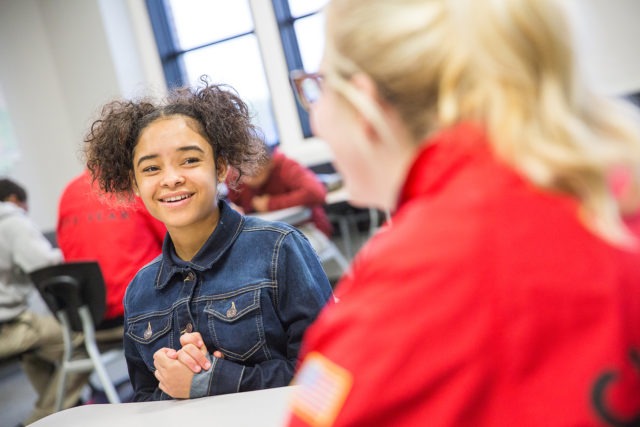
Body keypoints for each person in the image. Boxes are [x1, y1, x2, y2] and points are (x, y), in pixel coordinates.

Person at [286, 0, 640, 426]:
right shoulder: (616, 189)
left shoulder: (407, 282)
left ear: (366, 102)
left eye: (320, 86)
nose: (318, 117)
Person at [82, 79, 333, 402]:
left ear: (220, 168)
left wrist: (208, 382)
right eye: (151, 168)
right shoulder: (141, 292)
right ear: (134, 183)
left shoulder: (279, 249)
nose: (171, 178)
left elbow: (327, 372)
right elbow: (144, 401)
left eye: (189, 160)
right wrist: (171, 384)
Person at [0, 178, 88, 424]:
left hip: (13, 327)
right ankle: (43, 419)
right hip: (9, 328)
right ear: (16, 200)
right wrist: (72, 250)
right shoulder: (11, 220)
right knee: (81, 342)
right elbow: (44, 265)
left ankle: (65, 412)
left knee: (36, 350)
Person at [57, 169, 165, 333]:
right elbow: (178, 243)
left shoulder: (70, 191)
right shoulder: (135, 186)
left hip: (86, 318)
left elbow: (65, 251)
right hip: (143, 312)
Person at [226, 147, 332, 237]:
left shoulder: (285, 166)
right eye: (244, 175)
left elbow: (316, 192)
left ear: (270, 163)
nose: (248, 180)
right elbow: (233, 203)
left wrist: (270, 203)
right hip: (263, 234)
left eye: (255, 174)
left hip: (304, 229)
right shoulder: (235, 175)